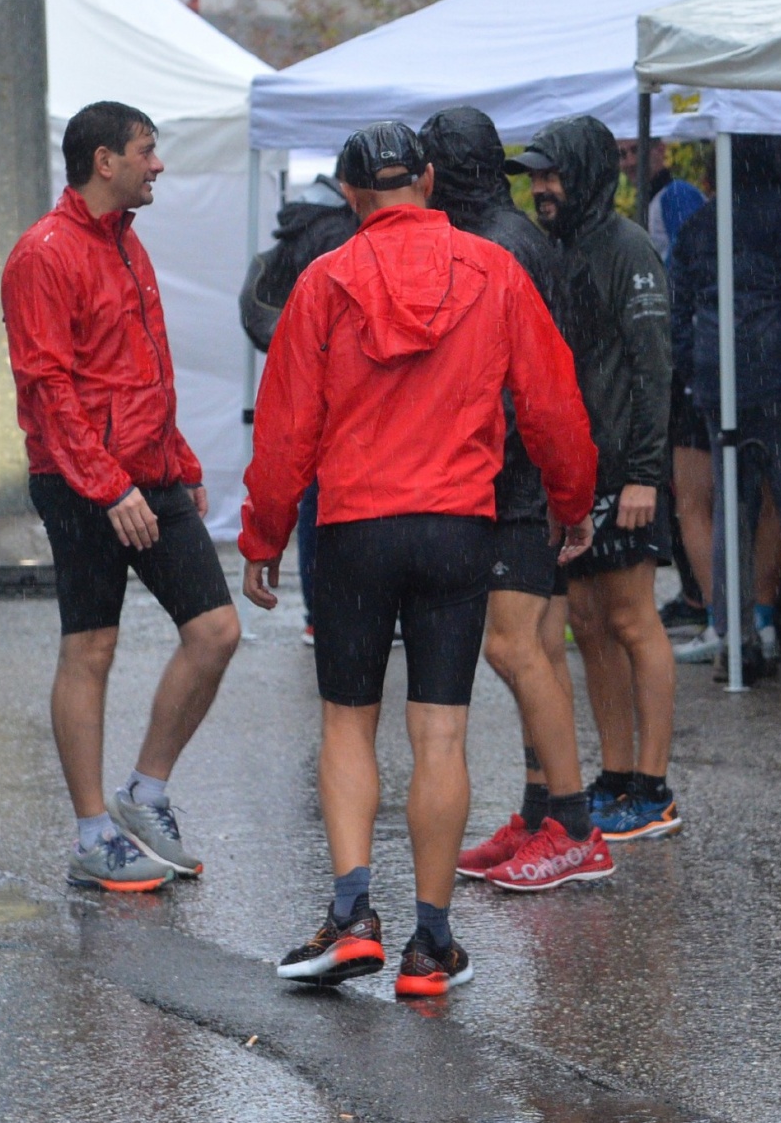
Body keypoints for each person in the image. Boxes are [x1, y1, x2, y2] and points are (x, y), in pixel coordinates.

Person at [241, 122, 596, 996]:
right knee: (439, 731)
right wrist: (570, 504)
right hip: (456, 526)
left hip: (354, 528)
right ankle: (430, 946)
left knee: (346, 722)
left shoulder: (324, 280)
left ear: (352, 193)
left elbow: (286, 427)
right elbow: (551, 403)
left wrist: (263, 535)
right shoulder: (493, 270)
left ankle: (352, 914)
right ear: (428, 181)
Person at [2, 100, 242, 893]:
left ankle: (145, 792)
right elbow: (46, 387)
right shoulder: (42, 253)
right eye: (146, 150)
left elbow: (146, 370)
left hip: (149, 472)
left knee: (215, 631)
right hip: (80, 482)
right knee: (91, 648)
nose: (157, 164)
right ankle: (90, 834)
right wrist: (106, 486)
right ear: (103, 161)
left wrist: (180, 459)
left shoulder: (126, 242)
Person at [420, 107, 614, 894]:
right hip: (527, 466)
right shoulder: (504, 233)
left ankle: (572, 827)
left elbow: (518, 376)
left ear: (444, 173)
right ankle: (542, 814)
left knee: (513, 647)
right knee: (534, 644)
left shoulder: (496, 244)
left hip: (517, 473)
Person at [507, 115, 680, 841]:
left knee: (632, 619)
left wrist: (643, 474)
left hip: (624, 470)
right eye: (535, 177)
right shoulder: (556, 245)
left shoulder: (627, 247)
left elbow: (653, 366)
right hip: (575, 474)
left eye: (552, 175)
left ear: (585, 174)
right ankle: (614, 776)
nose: (540, 188)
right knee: (587, 624)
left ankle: (653, 789)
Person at [670, 135, 781, 685]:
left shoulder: (700, 224)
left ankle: (734, 639)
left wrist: (698, 374)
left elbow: (678, 316)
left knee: (731, 514)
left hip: (720, 385)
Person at [239, 176, 358, 646]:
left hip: (302, 367)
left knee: (312, 492)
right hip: (337, 379)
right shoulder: (340, 230)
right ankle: (330, 612)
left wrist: (264, 537)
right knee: (325, 495)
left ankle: (317, 612)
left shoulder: (302, 220)